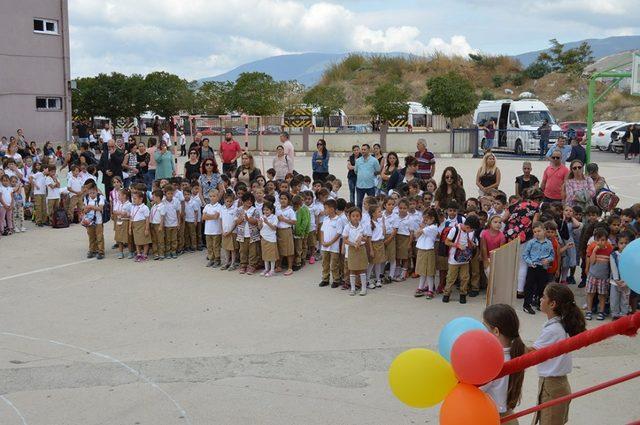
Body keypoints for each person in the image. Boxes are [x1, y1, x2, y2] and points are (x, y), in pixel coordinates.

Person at [530, 283, 585, 425]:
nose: (541, 299)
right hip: (556, 384)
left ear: (552, 304)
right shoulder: (561, 323)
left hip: (552, 386)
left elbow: (531, 354)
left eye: (543, 297)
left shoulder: (553, 329)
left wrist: (509, 340)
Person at [481, 304, 525, 424]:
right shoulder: (515, 352)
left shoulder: (494, 361)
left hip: (495, 418)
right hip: (508, 416)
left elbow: (477, 390)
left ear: (496, 331)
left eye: (485, 327)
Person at [442, 215, 481, 304]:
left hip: (465, 258)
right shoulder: (455, 230)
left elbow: (466, 238)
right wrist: (457, 245)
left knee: (465, 277)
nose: (472, 232)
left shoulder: (466, 231)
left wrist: (471, 242)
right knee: (451, 278)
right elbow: (447, 242)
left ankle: (463, 294)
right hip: (454, 259)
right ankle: (447, 293)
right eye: (472, 230)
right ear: (467, 227)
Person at [521, 221, 555, 314]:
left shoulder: (549, 243)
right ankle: (526, 305)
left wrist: (548, 260)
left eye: (539, 231)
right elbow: (525, 255)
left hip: (543, 267)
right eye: (535, 232)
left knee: (542, 286)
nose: (537, 233)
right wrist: (530, 262)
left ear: (544, 231)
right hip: (533, 266)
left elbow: (552, 255)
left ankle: (539, 303)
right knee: (529, 286)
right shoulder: (531, 242)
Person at [584, 228, 613, 321]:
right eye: (598, 240)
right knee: (590, 293)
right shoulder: (592, 246)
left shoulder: (610, 248)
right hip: (592, 275)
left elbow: (610, 264)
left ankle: (601, 311)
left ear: (606, 240)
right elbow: (592, 262)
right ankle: (589, 311)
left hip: (603, 277)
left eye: (603, 240)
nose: (600, 242)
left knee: (602, 295)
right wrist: (594, 251)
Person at [414, 208, 439, 298]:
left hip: (428, 251)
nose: (424, 221)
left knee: (429, 271)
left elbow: (417, 233)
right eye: (424, 219)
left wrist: (422, 227)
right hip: (422, 250)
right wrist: (423, 227)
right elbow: (416, 235)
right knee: (422, 271)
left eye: (426, 219)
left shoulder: (433, 227)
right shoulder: (427, 227)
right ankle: (421, 287)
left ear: (432, 219)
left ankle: (430, 289)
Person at [610, 231, 633, 319]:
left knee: (625, 299)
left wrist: (627, 281)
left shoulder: (631, 256)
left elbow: (631, 269)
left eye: (626, 243)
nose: (623, 245)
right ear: (617, 244)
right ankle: (615, 314)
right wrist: (617, 280)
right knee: (614, 299)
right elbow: (614, 268)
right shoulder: (614, 255)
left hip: (627, 282)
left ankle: (624, 315)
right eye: (621, 243)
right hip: (615, 282)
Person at [82, 180, 106, 259]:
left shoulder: (100, 197)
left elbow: (100, 208)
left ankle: (101, 251)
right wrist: (88, 208)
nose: (91, 195)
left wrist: (91, 207)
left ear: (96, 191)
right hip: (89, 220)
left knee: (99, 236)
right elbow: (84, 210)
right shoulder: (86, 198)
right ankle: (92, 250)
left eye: (93, 193)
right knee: (91, 236)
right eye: (90, 193)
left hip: (98, 220)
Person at [276, 191, 297, 276]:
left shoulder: (290, 210)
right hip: (278, 230)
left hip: (286, 231)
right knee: (280, 249)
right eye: (281, 198)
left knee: (289, 250)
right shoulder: (277, 208)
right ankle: (279, 266)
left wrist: (283, 219)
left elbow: (294, 222)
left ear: (288, 200)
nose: (283, 200)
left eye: (285, 199)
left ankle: (290, 268)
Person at [354, 143, 381, 208]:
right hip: (360, 186)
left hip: (370, 186)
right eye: (362, 149)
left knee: (372, 204)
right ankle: (359, 217)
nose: (363, 151)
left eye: (364, 149)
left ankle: (372, 217)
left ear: (369, 150)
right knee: (359, 204)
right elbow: (356, 171)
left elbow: (378, 171)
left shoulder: (374, 160)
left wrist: (370, 175)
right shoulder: (358, 161)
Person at [258, 201, 279, 277]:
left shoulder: (274, 217)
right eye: (264, 210)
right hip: (264, 237)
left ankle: (272, 270)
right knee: (265, 254)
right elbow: (260, 228)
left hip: (271, 238)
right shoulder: (261, 217)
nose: (265, 211)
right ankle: (266, 268)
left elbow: (274, 228)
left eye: (267, 210)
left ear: (271, 210)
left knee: (272, 255)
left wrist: (267, 222)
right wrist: (260, 223)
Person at [129, 190, 151, 261]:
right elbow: (131, 218)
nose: (133, 200)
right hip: (135, 226)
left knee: (145, 240)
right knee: (137, 241)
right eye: (133, 198)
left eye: (135, 198)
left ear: (141, 199)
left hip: (142, 225)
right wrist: (130, 227)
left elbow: (147, 219)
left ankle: (145, 254)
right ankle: (138, 253)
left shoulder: (144, 208)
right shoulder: (133, 207)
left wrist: (147, 229)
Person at [149, 189, 166, 261]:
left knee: (160, 240)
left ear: (158, 197)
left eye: (153, 197)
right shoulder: (154, 205)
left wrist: (161, 226)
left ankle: (161, 253)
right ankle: (155, 253)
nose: (152, 198)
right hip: (153, 224)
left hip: (158, 224)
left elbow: (162, 217)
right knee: (154, 240)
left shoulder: (162, 206)